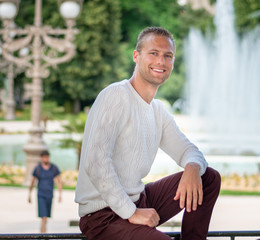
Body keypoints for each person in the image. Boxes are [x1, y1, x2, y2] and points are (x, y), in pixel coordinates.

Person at [75, 26, 221, 240]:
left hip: (139, 202)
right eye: (153, 53)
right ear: (136, 56)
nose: (161, 61)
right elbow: (95, 162)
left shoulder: (157, 110)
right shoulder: (116, 95)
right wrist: (131, 212)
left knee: (208, 177)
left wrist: (192, 166)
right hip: (103, 216)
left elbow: (189, 150)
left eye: (167, 56)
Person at [28, 150, 62, 233]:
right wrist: (29, 194)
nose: (46, 159)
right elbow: (32, 181)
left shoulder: (53, 168)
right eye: (45, 157)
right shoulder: (38, 168)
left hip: (49, 195)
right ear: (42, 158)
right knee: (44, 217)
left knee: (46, 217)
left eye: (47, 157)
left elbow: (59, 181)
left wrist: (60, 194)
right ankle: (43, 234)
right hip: (41, 195)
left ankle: (42, 234)